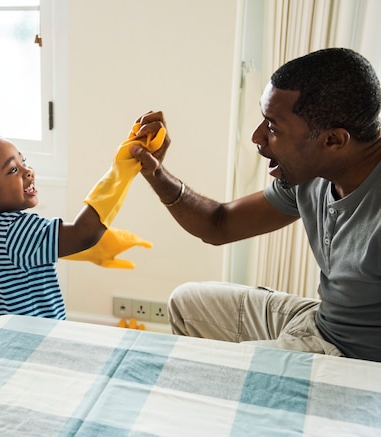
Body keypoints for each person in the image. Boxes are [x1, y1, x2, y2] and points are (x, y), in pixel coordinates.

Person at [129, 48, 381, 362]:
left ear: (333, 140)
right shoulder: (312, 175)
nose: (256, 137)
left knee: (208, 366)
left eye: (273, 128)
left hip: (352, 357)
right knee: (186, 302)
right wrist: (155, 172)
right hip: (319, 320)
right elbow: (218, 224)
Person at [0, 116, 162, 353]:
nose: (28, 171)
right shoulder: (15, 230)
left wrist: (92, 251)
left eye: (24, 161)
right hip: (13, 347)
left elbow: (31, 254)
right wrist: (121, 171)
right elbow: (84, 232)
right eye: (13, 169)